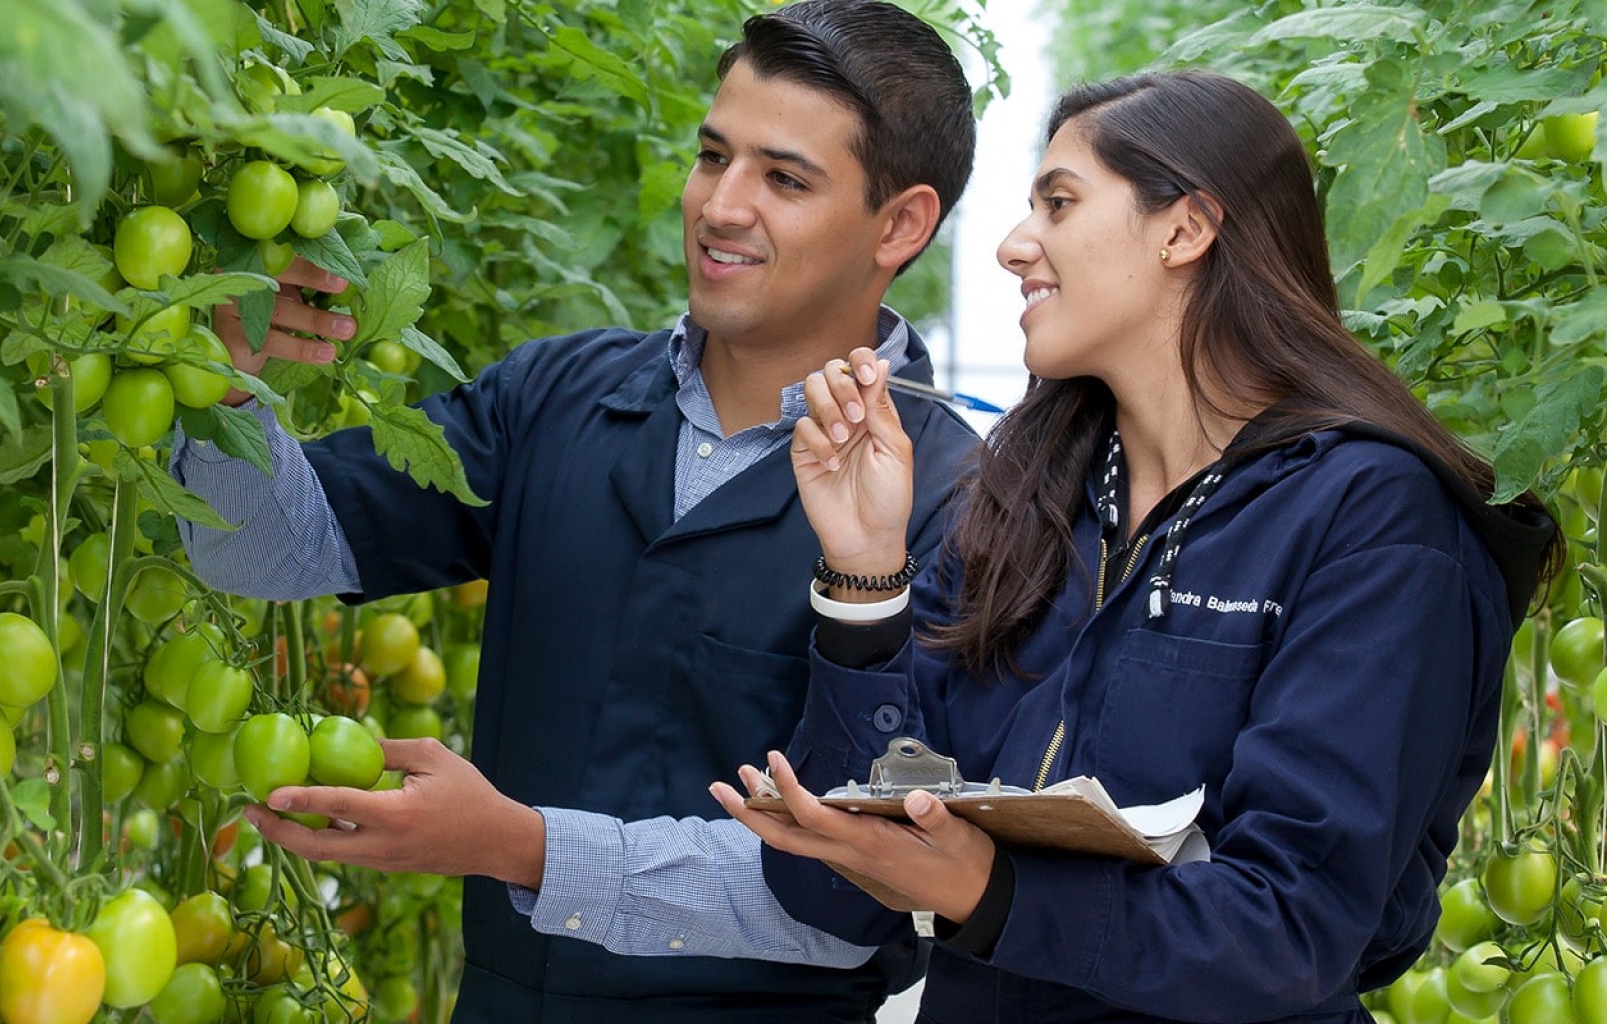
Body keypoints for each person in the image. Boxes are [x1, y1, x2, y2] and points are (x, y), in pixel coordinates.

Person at [174, 1, 981, 1019]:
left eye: (783, 178)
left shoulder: (957, 500)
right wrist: (232, 392)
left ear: (900, 223)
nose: (721, 206)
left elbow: (869, 887)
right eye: (711, 156)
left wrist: (519, 846)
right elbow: (276, 552)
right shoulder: (556, 398)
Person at [703, 68, 1562, 1021]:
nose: (1011, 246)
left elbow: (1292, 929)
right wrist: (863, 578)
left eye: (1059, 203)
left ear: (1185, 229)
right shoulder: (1022, 498)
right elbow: (827, 890)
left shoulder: (1373, 521)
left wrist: (989, 888)